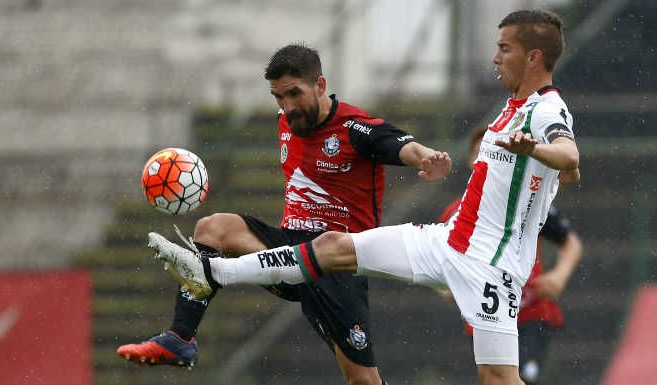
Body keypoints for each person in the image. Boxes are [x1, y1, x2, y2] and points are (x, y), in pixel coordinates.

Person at [147, 10, 578, 385]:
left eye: (504, 48)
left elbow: (569, 152)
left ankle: (212, 272)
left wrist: (538, 151)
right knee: (332, 245)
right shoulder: (511, 107)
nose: (495, 57)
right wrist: (555, 167)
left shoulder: (546, 108)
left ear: (533, 57)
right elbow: (569, 170)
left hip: (490, 265)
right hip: (446, 241)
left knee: (499, 378)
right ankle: (213, 272)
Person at [117, 44, 451, 385]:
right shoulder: (286, 122)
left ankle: (208, 283)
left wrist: (426, 158)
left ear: (320, 86)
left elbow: (402, 145)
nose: (288, 107)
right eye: (279, 97)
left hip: (338, 264)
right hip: (287, 251)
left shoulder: (354, 128)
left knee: (363, 380)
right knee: (213, 228)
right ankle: (181, 337)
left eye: (295, 94)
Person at [438, 127, 583, 385]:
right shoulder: (455, 214)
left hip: (530, 312)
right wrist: (448, 287)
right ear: (472, 161)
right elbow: (440, 265)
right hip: (487, 316)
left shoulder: (526, 203)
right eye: (482, 151)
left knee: (525, 376)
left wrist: (559, 277)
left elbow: (571, 243)